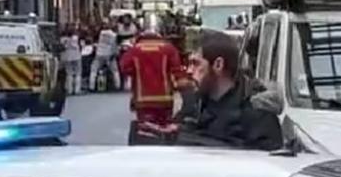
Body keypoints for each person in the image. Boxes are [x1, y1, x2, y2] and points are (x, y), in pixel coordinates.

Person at [138, 29, 283, 150]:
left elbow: (266, 164)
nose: (189, 71)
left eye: (196, 64)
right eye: (189, 64)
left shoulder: (257, 111)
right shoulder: (194, 105)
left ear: (218, 65)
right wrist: (168, 136)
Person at [120, 22, 184, 140]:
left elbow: (125, 68)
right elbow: (177, 70)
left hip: (142, 100)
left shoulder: (134, 50)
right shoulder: (168, 49)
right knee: (165, 130)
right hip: (165, 99)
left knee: (146, 133)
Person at [89, 21, 121, 92]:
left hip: (100, 54)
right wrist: (115, 54)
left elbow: (94, 42)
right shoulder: (114, 35)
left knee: (94, 70)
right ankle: (117, 86)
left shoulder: (100, 33)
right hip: (109, 54)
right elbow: (115, 46)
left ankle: (91, 86)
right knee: (115, 71)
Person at [60, 26, 83, 96]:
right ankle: (77, 90)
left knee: (69, 73)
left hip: (67, 56)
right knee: (78, 73)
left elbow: (61, 47)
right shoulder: (76, 38)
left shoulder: (62, 39)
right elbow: (81, 45)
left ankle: (69, 90)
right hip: (76, 55)